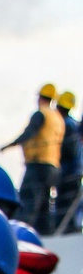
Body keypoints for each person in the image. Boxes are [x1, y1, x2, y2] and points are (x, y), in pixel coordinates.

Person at [1, 83, 65, 232]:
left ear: (41, 98)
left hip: (38, 164)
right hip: (53, 166)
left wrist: (10, 145)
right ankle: (46, 235)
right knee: (44, 207)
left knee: (27, 203)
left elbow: (29, 132)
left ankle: (19, 235)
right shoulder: (58, 118)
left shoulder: (41, 114)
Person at [52, 91, 82, 233]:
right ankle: (71, 227)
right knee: (70, 205)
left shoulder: (66, 124)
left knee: (64, 204)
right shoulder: (73, 123)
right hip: (74, 170)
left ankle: (66, 229)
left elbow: (68, 151)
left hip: (68, 171)